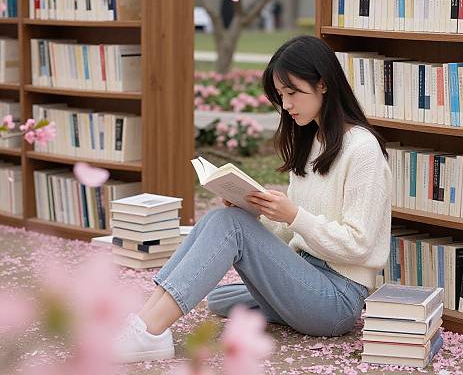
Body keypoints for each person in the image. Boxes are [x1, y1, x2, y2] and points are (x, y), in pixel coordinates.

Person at [115, 36, 392, 363]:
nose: (286, 105)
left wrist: (293, 215)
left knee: (229, 229)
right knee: (219, 290)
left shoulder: (362, 150)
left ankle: (149, 333)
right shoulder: (310, 141)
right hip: (306, 273)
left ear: (324, 85)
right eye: (280, 96)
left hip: (337, 298)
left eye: (292, 94)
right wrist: (258, 211)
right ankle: (142, 324)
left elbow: (359, 245)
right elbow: (296, 234)